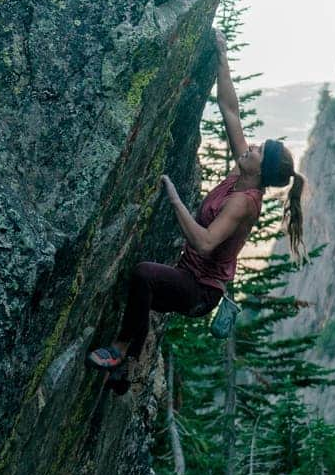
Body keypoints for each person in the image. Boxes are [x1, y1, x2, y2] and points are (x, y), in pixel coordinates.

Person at [85, 29, 307, 377]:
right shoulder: (243, 171)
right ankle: (126, 372)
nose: (252, 147)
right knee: (137, 292)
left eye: (259, 151)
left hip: (200, 292)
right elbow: (230, 110)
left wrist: (174, 198)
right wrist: (222, 57)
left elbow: (204, 243)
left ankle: (123, 351)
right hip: (189, 276)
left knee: (144, 275)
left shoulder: (244, 202)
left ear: (261, 170)